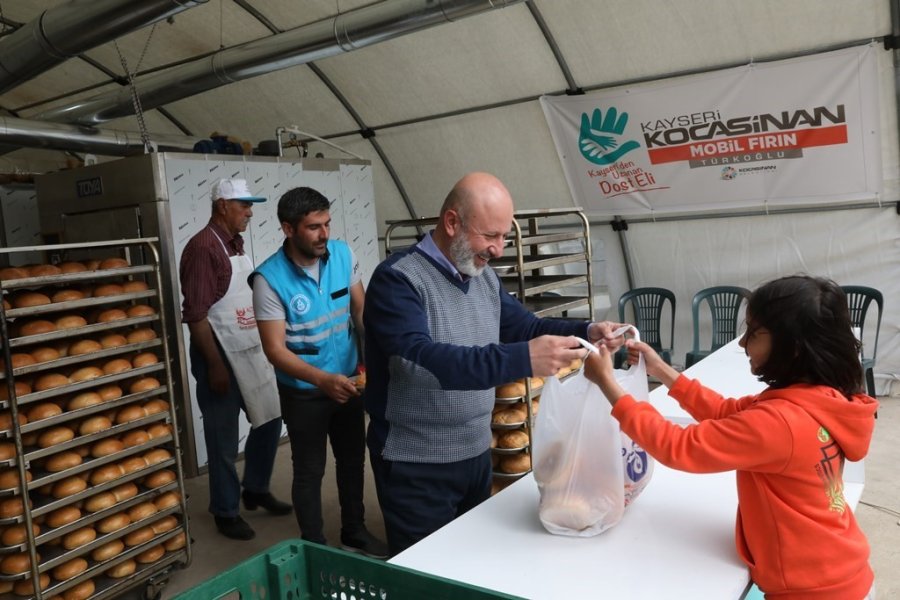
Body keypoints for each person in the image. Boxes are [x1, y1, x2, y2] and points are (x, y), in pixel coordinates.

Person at [363, 171, 626, 556]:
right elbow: (419, 362)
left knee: (473, 562)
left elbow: (524, 326)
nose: (499, 249)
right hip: (417, 464)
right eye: (490, 236)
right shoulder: (398, 280)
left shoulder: (481, 277)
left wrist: (587, 330)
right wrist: (524, 358)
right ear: (452, 222)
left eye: (505, 237)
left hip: (475, 453)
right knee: (426, 573)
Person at [585, 275, 878, 600]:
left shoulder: (781, 421)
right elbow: (730, 413)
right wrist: (663, 372)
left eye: (754, 333)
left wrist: (608, 384)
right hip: (841, 572)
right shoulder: (820, 398)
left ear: (793, 347)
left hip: (813, 590)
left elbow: (678, 447)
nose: (742, 344)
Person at [252, 186, 388, 558]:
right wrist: (321, 380)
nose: (324, 234)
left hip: (347, 381)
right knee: (309, 470)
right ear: (288, 229)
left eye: (327, 224)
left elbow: (360, 313)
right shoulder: (269, 279)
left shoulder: (342, 255)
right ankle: (314, 546)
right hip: (305, 391)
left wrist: (372, 363)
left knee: (352, 461)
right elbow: (274, 350)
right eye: (313, 227)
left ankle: (354, 531)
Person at [179, 178, 291, 541]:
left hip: (248, 346)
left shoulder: (235, 244)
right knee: (223, 438)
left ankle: (255, 488)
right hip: (218, 354)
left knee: (269, 418)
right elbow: (196, 315)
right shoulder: (202, 249)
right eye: (243, 205)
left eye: (250, 205)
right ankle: (225, 511)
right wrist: (214, 365)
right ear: (222, 205)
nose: (250, 211)